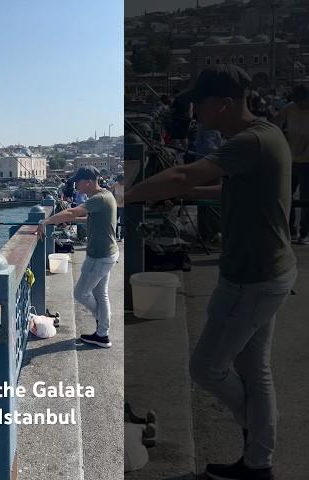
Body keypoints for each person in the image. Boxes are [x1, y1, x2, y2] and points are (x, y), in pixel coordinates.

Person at [126, 64, 297, 480]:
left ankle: (255, 434)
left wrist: (127, 194)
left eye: (198, 105)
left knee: (206, 369)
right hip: (268, 272)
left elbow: (184, 172)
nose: (194, 115)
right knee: (253, 369)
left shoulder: (249, 142)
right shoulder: (266, 135)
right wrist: (177, 193)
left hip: (251, 279)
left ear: (222, 104)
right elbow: (226, 188)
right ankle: (258, 462)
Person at [36, 166, 119, 348]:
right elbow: (91, 219)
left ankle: (102, 326)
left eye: (78, 183)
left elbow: (73, 211)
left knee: (80, 293)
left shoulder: (99, 198)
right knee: (100, 294)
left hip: (99, 256)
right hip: (107, 253)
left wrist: (46, 221)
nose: (76, 187)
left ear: (88, 181)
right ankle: (102, 334)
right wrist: (71, 220)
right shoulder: (106, 196)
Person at [273, 84, 309, 244]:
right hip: (290, 158)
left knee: (306, 199)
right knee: (286, 196)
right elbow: (275, 124)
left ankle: (305, 233)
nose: (300, 105)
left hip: (308, 161)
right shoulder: (290, 108)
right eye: (297, 102)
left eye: (303, 102)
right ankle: (290, 230)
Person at [110, 174, 125, 241]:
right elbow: (110, 191)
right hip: (115, 206)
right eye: (119, 181)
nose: (120, 183)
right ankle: (115, 235)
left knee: (122, 222)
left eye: (121, 181)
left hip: (123, 206)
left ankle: (122, 236)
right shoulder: (115, 184)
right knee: (114, 221)